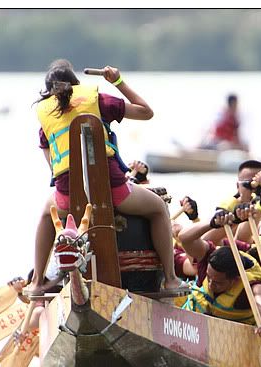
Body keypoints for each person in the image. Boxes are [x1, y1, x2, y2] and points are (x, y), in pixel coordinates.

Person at [25, 59, 183, 297]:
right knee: (159, 208)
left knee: (47, 214)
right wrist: (118, 81)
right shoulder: (97, 100)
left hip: (67, 197)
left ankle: (38, 282)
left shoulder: (46, 114)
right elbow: (146, 112)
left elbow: (52, 163)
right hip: (112, 190)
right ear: (75, 83)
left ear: (49, 90)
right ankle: (171, 280)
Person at [176, 208, 261, 338]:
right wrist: (212, 223)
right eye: (209, 278)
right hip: (190, 329)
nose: (210, 285)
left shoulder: (252, 285)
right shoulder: (208, 255)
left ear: (235, 280)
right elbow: (184, 238)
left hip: (229, 337)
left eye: (218, 283)